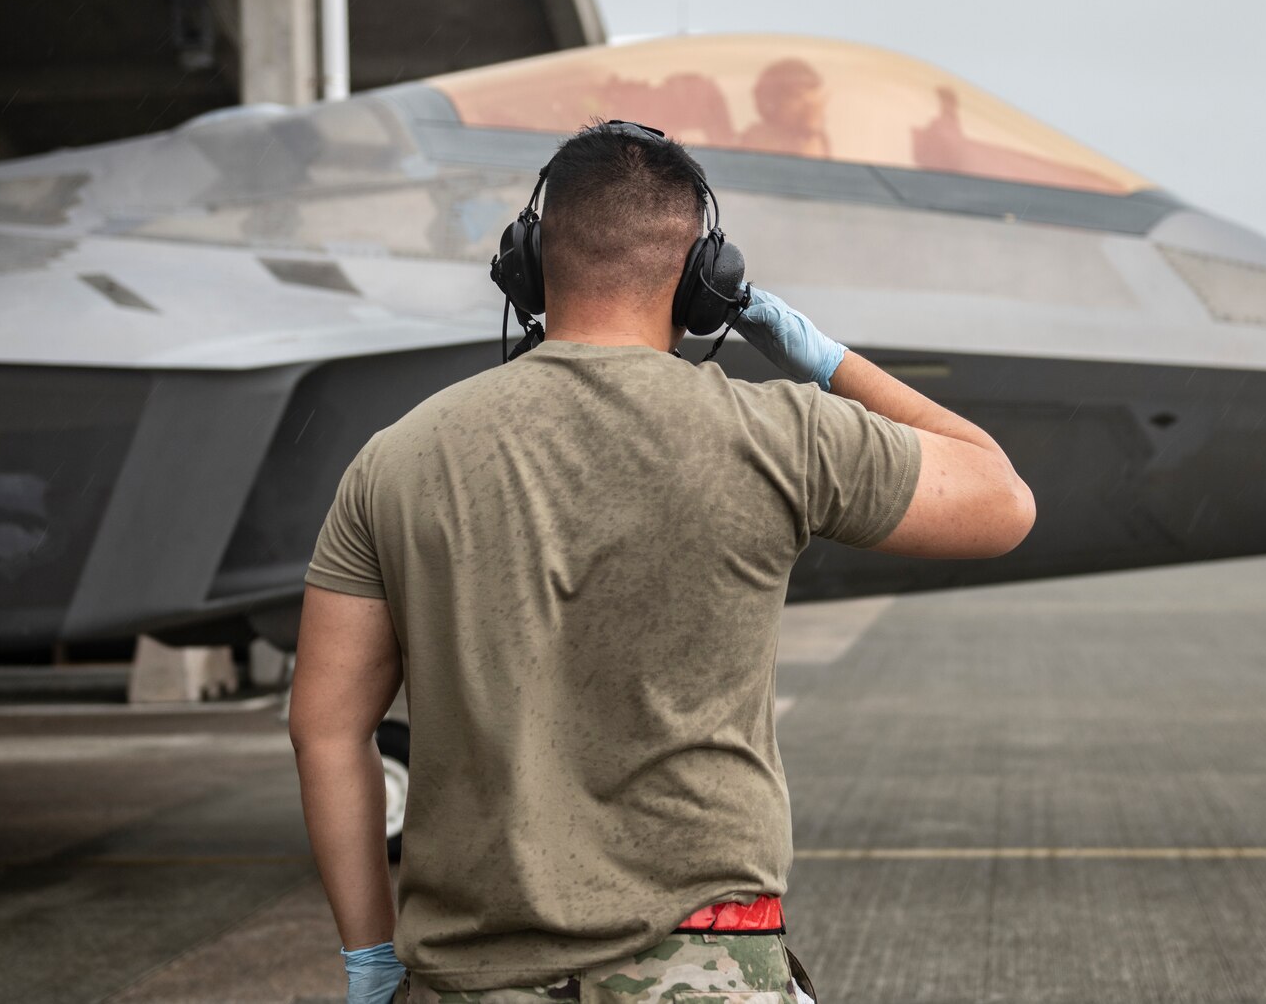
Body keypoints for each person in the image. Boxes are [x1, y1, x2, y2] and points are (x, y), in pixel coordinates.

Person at [290, 122, 1035, 1003]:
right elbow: (1002, 497)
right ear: (701, 281)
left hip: (470, 973)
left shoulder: (396, 459)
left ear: (529, 263)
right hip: (708, 968)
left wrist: (371, 958)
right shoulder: (779, 434)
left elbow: (326, 729)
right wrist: (825, 360)